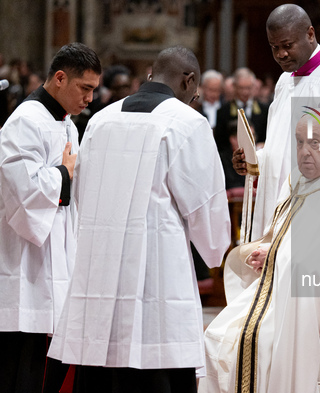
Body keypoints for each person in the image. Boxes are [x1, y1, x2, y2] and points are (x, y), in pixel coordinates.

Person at [47, 46, 231, 393]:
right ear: (189, 80)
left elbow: (82, 198)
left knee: (101, 364)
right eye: (193, 92)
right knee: (154, 367)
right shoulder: (188, 123)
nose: (192, 99)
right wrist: (218, 253)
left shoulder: (101, 118)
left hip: (99, 272)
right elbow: (205, 204)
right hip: (157, 275)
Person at [200, 113, 320, 393]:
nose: (305, 151)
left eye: (315, 143)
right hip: (297, 287)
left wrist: (279, 257)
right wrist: (271, 250)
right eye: (299, 142)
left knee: (261, 340)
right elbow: (298, 238)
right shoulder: (305, 180)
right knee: (216, 336)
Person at [0, 42, 101, 393]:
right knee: (24, 367)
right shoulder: (26, 121)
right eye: (84, 88)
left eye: (93, 90)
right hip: (29, 263)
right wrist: (64, 174)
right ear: (60, 78)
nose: (89, 98)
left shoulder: (67, 123)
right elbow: (19, 190)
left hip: (57, 253)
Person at [233, 4, 320, 241]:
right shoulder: (285, 81)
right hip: (282, 207)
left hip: (318, 213)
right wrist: (255, 160)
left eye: (287, 45)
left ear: (310, 34)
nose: (280, 54)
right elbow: (282, 147)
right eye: (274, 47)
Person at [215, 67, 268, 152]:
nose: (245, 92)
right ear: (234, 86)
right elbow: (220, 144)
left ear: (254, 87)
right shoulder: (223, 111)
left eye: (248, 88)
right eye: (241, 88)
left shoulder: (265, 110)